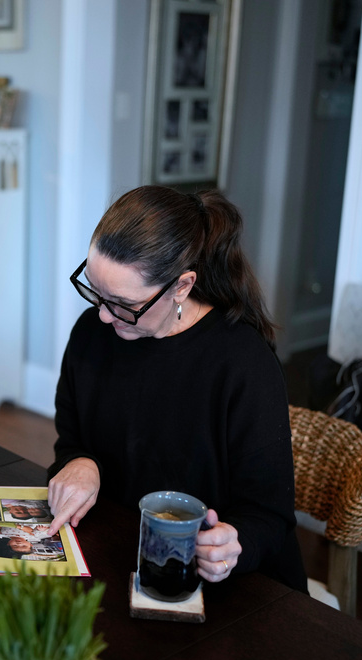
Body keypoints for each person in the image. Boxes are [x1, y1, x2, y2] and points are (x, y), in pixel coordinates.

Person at [47, 186, 308, 593]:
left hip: (234, 589)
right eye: (96, 292)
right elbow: (73, 438)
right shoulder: (91, 336)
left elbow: (269, 516)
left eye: (121, 303)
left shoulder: (242, 364)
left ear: (182, 287)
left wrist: (234, 543)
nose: (101, 315)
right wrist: (81, 461)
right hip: (124, 562)